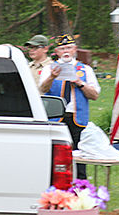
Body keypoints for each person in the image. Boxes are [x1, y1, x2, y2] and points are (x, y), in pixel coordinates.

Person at [39, 34, 100, 179]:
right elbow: (42, 89)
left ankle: (80, 184)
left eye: (69, 48)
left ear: (75, 50)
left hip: (77, 117)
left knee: (79, 154)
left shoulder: (85, 70)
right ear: (57, 52)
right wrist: (52, 77)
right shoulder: (49, 69)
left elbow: (95, 95)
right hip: (56, 117)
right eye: (62, 48)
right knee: (55, 154)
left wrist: (80, 83)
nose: (66, 51)